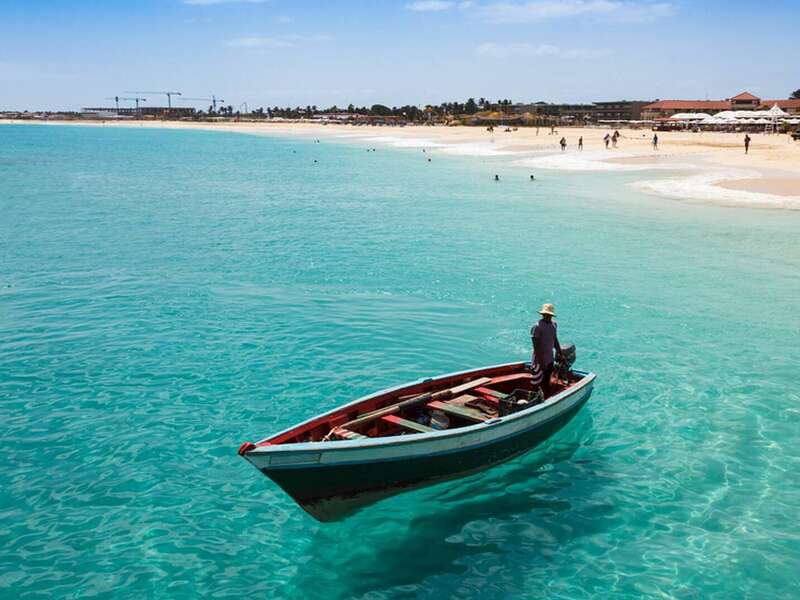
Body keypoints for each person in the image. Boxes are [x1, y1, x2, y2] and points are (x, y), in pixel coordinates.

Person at [530, 303, 562, 398]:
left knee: (546, 381)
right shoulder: (536, 327)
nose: (547, 316)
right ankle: (532, 400)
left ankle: (545, 399)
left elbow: (555, 339)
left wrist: (560, 352)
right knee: (536, 383)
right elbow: (536, 348)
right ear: (542, 315)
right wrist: (541, 362)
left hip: (549, 359)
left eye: (549, 315)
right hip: (539, 361)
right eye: (545, 315)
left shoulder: (554, 325)